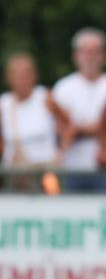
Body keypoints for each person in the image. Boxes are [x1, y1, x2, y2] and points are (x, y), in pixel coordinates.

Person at [52, 27, 106, 190]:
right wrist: (99, 127)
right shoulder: (63, 87)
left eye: (95, 51)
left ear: (103, 55)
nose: (90, 57)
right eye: (86, 51)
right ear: (76, 56)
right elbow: (59, 128)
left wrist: (77, 130)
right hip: (71, 167)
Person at [0, 53, 72, 190]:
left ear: (34, 76)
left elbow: (68, 124)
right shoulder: (4, 104)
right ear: (9, 78)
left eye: (25, 74)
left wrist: (62, 152)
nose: (21, 80)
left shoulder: (45, 97)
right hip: (17, 173)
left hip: (47, 171)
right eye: (17, 75)